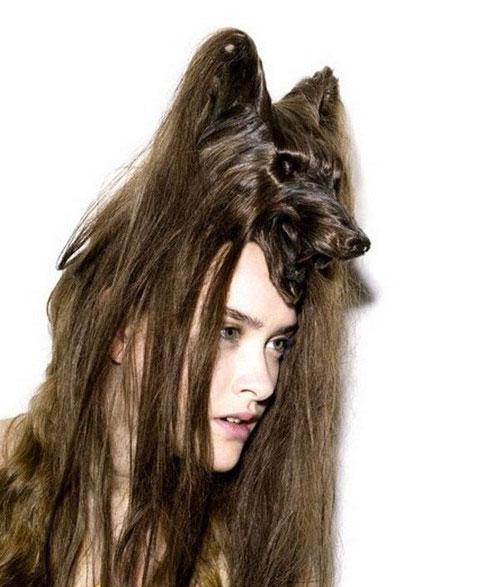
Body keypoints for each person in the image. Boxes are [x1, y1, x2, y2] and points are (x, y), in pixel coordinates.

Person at [0, 26, 370, 587]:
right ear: (122, 324)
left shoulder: (245, 556)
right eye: (228, 331)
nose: (263, 383)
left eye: (278, 343)